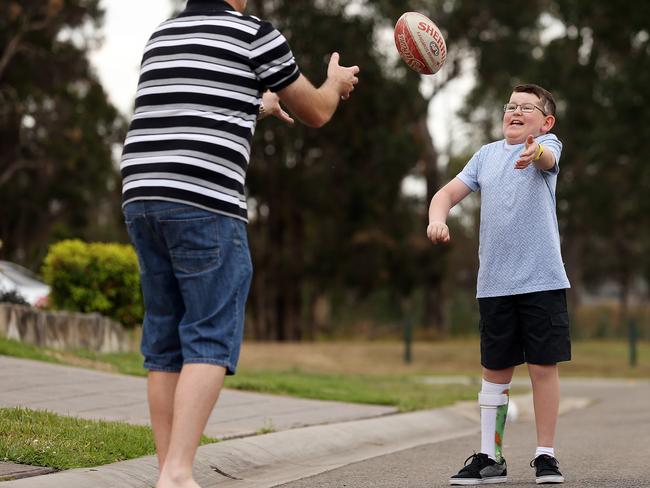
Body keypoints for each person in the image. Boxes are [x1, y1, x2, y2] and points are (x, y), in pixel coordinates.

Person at [119, 1, 359, 487]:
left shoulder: (162, 36)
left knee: (164, 340)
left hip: (142, 196)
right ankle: (180, 473)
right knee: (208, 335)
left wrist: (258, 104)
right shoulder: (254, 34)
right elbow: (314, 111)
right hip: (204, 202)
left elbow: (193, 107)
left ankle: (168, 471)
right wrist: (333, 84)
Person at [427, 84, 570, 485]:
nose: (516, 111)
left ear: (546, 121)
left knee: (543, 366)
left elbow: (547, 159)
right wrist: (438, 217)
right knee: (495, 371)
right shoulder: (486, 156)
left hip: (541, 279)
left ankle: (546, 455)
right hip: (494, 284)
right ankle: (490, 456)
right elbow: (446, 194)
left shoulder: (547, 144)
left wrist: (535, 150)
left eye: (527, 107)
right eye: (510, 105)